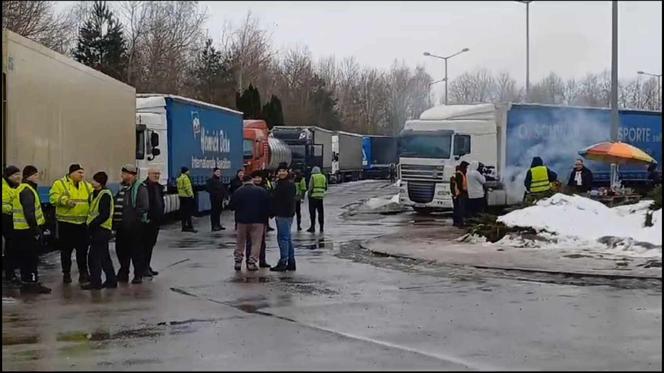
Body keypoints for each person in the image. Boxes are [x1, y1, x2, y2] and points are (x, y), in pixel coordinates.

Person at [50, 164, 93, 285]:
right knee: (66, 251)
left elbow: (93, 198)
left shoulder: (86, 185)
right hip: (66, 223)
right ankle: (66, 274)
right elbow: (53, 198)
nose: (82, 175)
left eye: (83, 173)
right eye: (79, 172)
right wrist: (65, 201)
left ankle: (83, 273)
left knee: (82, 251)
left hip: (82, 224)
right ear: (72, 173)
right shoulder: (59, 184)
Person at [13, 165, 51, 294]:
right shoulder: (27, 191)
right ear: (29, 176)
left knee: (25, 258)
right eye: (35, 175)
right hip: (27, 230)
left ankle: (26, 282)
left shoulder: (22, 188)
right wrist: (36, 230)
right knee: (31, 258)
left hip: (21, 229)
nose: (37, 177)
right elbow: (29, 213)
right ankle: (32, 283)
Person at [113, 164, 149, 284]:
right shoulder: (121, 188)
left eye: (124, 174)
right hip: (121, 227)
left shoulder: (140, 188)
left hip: (134, 227)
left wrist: (133, 220)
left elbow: (143, 206)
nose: (122, 176)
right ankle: (124, 272)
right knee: (121, 250)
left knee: (136, 251)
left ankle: (138, 274)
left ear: (130, 175)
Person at [228, 175, 271, 271]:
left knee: (240, 241)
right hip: (258, 221)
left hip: (242, 221)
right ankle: (251, 262)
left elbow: (231, 206)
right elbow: (268, 205)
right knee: (256, 243)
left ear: (243, 182)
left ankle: (238, 262)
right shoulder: (262, 191)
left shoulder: (238, 191)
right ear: (252, 181)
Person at [83, 172, 117, 290]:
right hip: (97, 229)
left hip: (101, 229)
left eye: (94, 180)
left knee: (93, 257)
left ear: (100, 182)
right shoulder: (94, 194)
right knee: (104, 256)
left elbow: (104, 214)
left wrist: (92, 224)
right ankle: (111, 280)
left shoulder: (105, 195)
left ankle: (96, 282)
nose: (92, 182)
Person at [270, 165, 297, 272]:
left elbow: (285, 201)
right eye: (279, 171)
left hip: (284, 214)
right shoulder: (282, 184)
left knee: (283, 238)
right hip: (285, 214)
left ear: (287, 172)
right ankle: (291, 262)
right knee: (287, 238)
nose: (281, 173)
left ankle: (283, 262)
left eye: (283, 171)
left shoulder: (287, 185)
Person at [245, 171, 271, 268]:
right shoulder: (248, 189)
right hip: (250, 219)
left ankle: (262, 261)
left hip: (262, 219)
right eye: (255, 177)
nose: (257, 179)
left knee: (262, 241)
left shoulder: (265, 188)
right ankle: (249, 260)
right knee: (250, 241)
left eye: (259, 177)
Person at [142, 168, 165, 278]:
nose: (156, 176)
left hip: (156, 221)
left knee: (151, 244)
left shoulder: (159, 187)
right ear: (149, 174)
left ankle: (147, 266)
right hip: (147, 222)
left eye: (158, 174)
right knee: (145, 245)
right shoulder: (144, 187)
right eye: (154, 174)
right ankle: (144, 268)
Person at [3, 166, 21, 283]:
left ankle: (11, 273)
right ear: (8, 176)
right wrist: (15, 209)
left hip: (9, 219)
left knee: (11, 247)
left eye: (19, 174)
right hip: (5, 218)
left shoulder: (12, 186)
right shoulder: (4, 188)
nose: (18, 177)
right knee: (10, 247)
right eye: (15, 175)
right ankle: (10, 274)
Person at [306, 166, 327, 233]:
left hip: (313, 197)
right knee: (321, 213)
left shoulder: (313, 177)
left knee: (312, 213)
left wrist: (309, 194)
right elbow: (326, 187)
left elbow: (310, 187)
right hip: (320, 197)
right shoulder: (323, 177)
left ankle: (312, 227)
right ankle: (321, 227)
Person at [177, 166, 197, 233]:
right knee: (188, 213)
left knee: (183, 213)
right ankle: (189, 227)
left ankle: (183, 226)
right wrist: (191, 195)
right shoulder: (186, 178)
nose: (189, 172)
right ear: (186, 171)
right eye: (188, 171)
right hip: (187, 197)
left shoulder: (179, 178)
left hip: (181, 196)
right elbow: (187, 188)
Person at [452, 161, 469, 227]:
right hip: (460, 194)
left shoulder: (460, 173)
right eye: (466, 167)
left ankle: (456, 222)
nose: (466, 168)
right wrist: (463, 191)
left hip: (458, 193)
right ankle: (460, 223)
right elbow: (459, 185)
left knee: (457, 208)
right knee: (460, 209)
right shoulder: (459, 174)